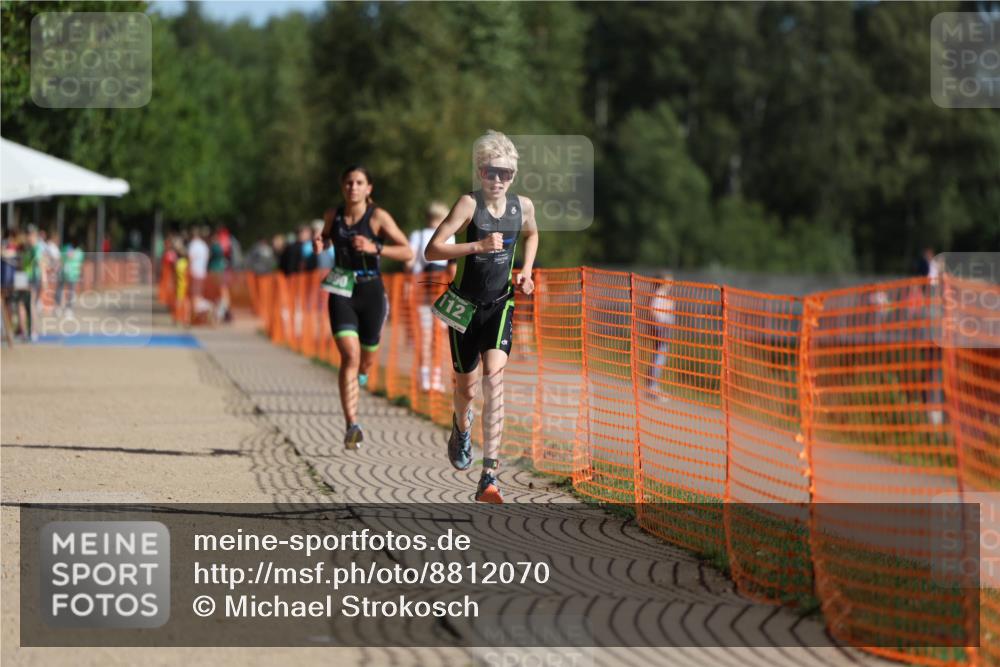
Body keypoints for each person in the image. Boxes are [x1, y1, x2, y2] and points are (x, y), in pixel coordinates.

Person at [424, 130, 539, 504]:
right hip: (464, 307)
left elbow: (532, 235)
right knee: (467, 390)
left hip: (500, 305)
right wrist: (476, 245)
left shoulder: (522, 207)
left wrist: (526, 271)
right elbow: (432, 250)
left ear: (513, 176)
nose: (498, 179)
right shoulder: (468, 205)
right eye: (491, 172)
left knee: (494, 379)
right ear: (480, 172)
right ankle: (461, 427)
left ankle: (489, 475)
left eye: (505, 173)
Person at [315, 165, 413, 450]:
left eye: (359, 183)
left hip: (371, 291)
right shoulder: (333, 215)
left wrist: (375, 248)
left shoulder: (378, 216)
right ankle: (352, 424)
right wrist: (321, 242)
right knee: (349, 355)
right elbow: (325, 235)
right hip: (341, 289)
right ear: (342, 186)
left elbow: (407, 250)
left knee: (366, 360)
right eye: (349, 182)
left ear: (369, 188)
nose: (353, 187)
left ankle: (362, 374)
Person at [407, 201, 457, 391]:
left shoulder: (418, 236)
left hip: (422, 290)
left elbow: (410, 263)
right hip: (444, 292)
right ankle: (435, 379)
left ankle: (425, 378)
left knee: (425, 336)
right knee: (438, 338)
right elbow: (453, 267)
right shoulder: (450, 237)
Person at [644, 272, 676, 399]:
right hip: (661, 328)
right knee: (659, 356)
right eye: (669, 281)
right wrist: (659, 325)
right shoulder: (659, 294)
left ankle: (653, 385)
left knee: (659, 356)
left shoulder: (662, 295)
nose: (671, 284)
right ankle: (652, 386)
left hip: (664, 328)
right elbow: (653, 310)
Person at [55, 237, 84, 318]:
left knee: (70, 292)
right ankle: (60, 307)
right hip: (65, 274)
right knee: (62, 290)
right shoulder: (69, 249)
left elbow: (79, 264)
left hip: (72, 275)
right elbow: (61, 260)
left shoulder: (79, 252)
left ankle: (67, 309)